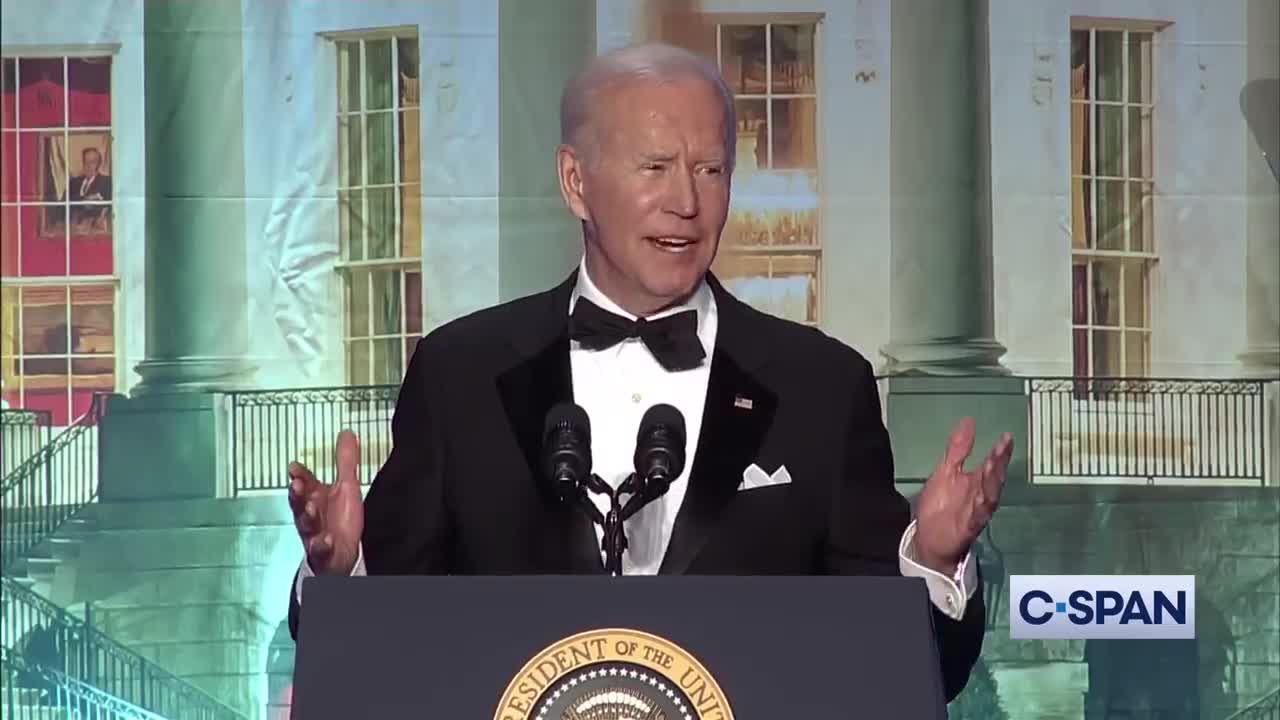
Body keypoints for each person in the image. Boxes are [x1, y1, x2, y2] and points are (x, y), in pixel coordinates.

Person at [286, 42, 1014, 702]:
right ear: (576, 182)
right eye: (657, 168)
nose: (688, 203)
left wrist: (932, 562)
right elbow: (385, 657)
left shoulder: (822, 386)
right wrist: (343, 576)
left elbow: (908, 674)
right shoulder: (460, 375)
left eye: (710, 169)